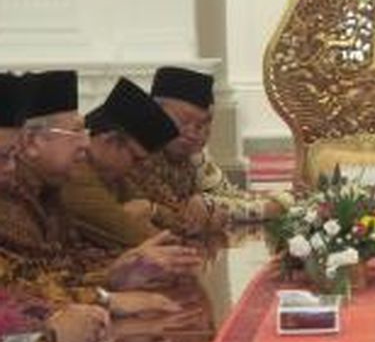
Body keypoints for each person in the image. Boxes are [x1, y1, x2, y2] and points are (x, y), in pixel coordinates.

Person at [0, 71, 196, 316]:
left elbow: (61, 266)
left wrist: (113, 275)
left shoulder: (48, 189)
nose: (85, 143)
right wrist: (105, 296)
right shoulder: (10, 196)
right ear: (31, 142)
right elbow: (22, 291)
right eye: (76, 132)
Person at [124, 66, 285, 235]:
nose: (194, 133)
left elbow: (230, 196)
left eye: (202, 125)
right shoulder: (138, 154)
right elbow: (183, 218)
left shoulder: (192, 156)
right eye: (183, 122)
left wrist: (208, 204)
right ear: (154, 115)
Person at [60, 77, 179, 249]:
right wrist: (139, 218)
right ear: (110, 141)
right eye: (136, 159)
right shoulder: (75, 174)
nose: (136, 168)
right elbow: (141, 240)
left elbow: (181, 224)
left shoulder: (112, 176)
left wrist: (151, 209)